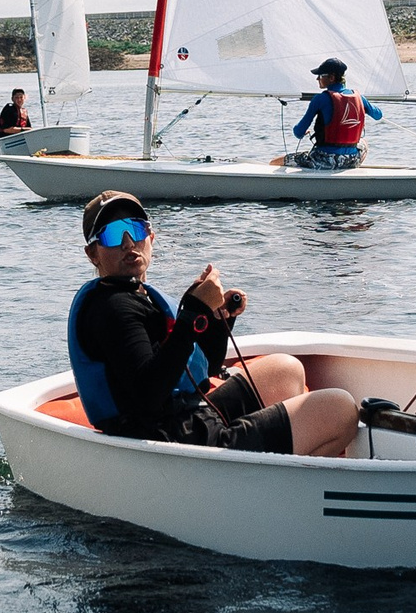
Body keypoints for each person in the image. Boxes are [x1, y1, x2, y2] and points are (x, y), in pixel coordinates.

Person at [66, 189, 359, 457]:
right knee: (340, 409)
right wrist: (193, 312)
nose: (129, 243)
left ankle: (273, 463)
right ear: (93, 253)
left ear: (151, 237)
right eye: (113, 235)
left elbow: (200, 369)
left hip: (188, 419)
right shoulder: (112, 308)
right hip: (176, 444)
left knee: (286, 369)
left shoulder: (136, 295)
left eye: (135, 228)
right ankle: (274, 486)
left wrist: (216, 320)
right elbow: (148, 394)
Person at [286, 57, 381, 170]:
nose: (317, 79)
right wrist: (362, 105)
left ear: (331, 78)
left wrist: (302, 132)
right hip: (351, 159)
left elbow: (298, 132)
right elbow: (378, 115)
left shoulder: (320, 99)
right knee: (364, 143)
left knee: (285, 159)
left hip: (324, 160)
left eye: (321, 76)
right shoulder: (359, 98)